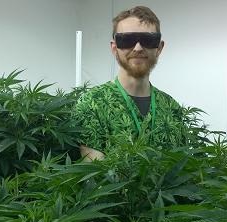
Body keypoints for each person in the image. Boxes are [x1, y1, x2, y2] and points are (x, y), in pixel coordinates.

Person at [73, 5, 188, 161]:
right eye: (127, 40)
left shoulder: (172, 108)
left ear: (159, 48)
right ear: (114, 48)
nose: (138, 48)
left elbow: (182, 168)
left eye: (148, 40)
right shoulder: (92, 104)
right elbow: (96, 178)